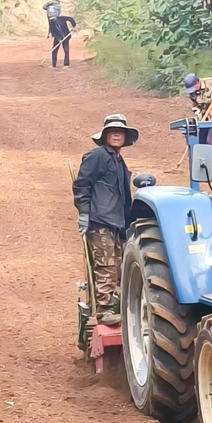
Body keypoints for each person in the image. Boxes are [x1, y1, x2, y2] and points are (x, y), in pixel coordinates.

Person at [72, 114, 138, 326]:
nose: (117, 134)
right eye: (112, 131)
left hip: (116, 222)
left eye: (120, 132)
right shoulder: (97, 156)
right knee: (106, 266)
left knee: (118, 266)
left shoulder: (119, 161)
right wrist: (84, 211)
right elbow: (82, 184)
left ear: (125, 137)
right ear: (105, 135)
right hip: (100, 220)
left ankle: (111, 303)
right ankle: (104, 309)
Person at [183, 73, 212, 154]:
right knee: (200, 141)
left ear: (197, 82)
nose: (193, 91)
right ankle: (200, 162)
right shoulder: (192, 93)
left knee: (211, 142)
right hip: (203, 119)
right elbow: (195, 106)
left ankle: (209, 163)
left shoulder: (210, 82)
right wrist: (199, 115)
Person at [44, 0, 76, 68]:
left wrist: (74, 27)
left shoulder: (60, 19)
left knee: (66, 49)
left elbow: (70, 19)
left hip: (65, 35)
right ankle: (53, 65)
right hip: (58, 36)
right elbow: (53, 30)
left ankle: (66, 64)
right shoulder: (51, 22)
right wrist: (53, 35)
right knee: (54, 49)